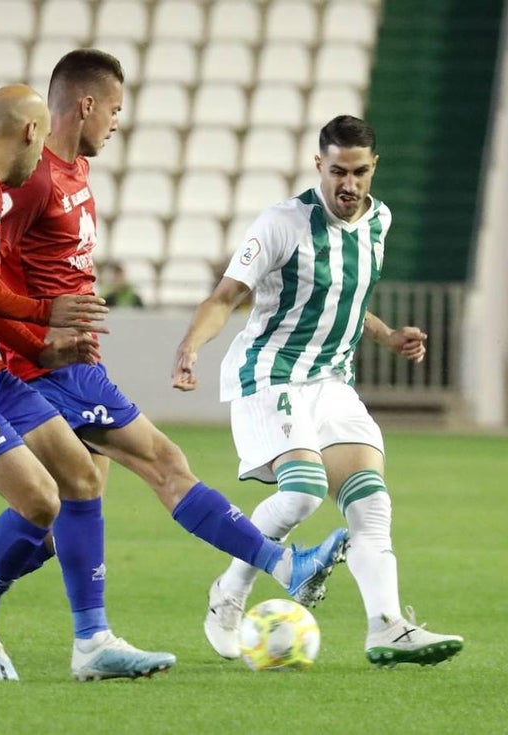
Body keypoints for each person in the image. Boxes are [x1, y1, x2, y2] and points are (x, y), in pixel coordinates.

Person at [0, 53, 348, 678]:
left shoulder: (74, 169)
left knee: (62, 514)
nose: (115, 123)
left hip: (65, 362)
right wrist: (39, 339)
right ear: (85, 105)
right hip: (49, 371)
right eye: (113, 110)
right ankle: (279, 566)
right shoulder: (29, 181)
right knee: (163, 465)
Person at [0, 83, 175, 682]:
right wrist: (44, 311)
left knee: (81, 478)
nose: (43, 156)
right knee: (41, 500)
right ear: (29, 132)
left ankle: (92, 642)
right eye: (41, 143)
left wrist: (40, 346)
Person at [172, 114, 465, 668]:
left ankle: (386, 626)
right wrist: (191, 346)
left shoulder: (379, 221)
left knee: (371, 502)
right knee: (303, 493)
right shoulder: (281, 224)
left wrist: (387, 336)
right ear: (319, 166)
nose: (348, 184)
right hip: (270, 373)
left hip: (332, 382)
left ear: (374, 168)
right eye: (337, 172)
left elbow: (344, 301)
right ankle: (228, 594)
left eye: (359, 172)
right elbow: (224, 297)